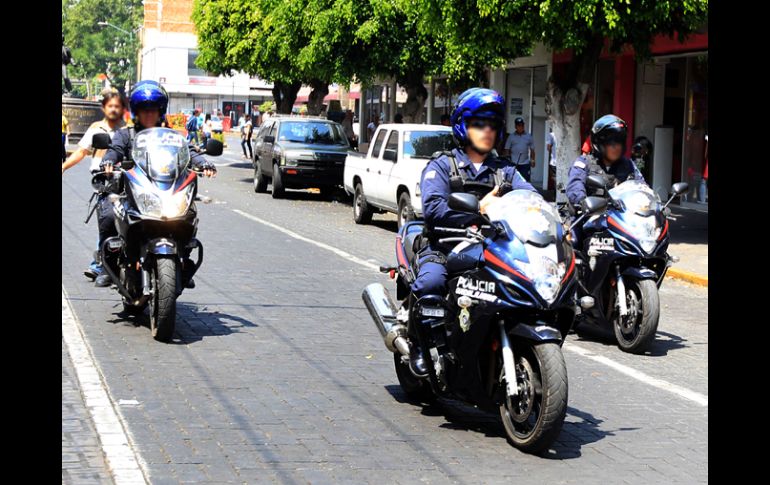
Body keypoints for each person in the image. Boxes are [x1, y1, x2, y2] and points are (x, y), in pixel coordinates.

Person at [409, 88, 535, 376]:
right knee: (430, 284)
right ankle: (420, 344)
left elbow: (532, 199)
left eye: (492, 124)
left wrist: (556, 222)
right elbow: (434, 209)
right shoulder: (442, 165)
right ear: (463, 125)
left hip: (490, 250)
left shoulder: (506, 171)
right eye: (480, 123)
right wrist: (479, 208)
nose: (487, 130)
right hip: (443, 247)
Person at [100, 80, 217, 288]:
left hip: (165, 190)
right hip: (133, 191)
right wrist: (109, 160)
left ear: (160, 111)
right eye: (144, 110)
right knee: (108, 212)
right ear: (137, 112)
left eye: (152, 110)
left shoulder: (172, 137)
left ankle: (183, 258)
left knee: (188, 213)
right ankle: (107, 264)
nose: (148, 114)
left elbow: (189, 151)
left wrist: (203, 163)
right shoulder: (125, 135)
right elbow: (114, 150)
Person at [62, 89, 127, 283]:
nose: (114, 109)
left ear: (122, 109)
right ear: (104, 108)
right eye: (110, 106)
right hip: (104, 183)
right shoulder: (96, 128)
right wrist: (64, 166)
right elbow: (82, 152)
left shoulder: (128, 131)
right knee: (107, 221)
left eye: (117, 106)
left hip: (126, 181)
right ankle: (100, 265)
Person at [566, 114, 645, 243]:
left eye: (619, 142)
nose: (616, 147)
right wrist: (582, 202)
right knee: (572, 243)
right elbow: (575, 184)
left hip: (622, 221)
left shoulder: (629, 165)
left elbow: (642, 187)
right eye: (611, 143)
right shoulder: (584, 163)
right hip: (587, 219)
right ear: (599, 143)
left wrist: (652, 204)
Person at [502, 117, 536, 181]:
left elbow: (532, 149)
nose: (521, 127)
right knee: (513, 181)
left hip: (525, 164)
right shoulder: (511, 137)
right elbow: (507, 149)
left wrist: (533, 160)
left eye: (522, 125)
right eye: (519, 125)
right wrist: (508, 162)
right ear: (516, 126)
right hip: (514, 163)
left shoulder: (529, 136)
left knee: (525, 181)